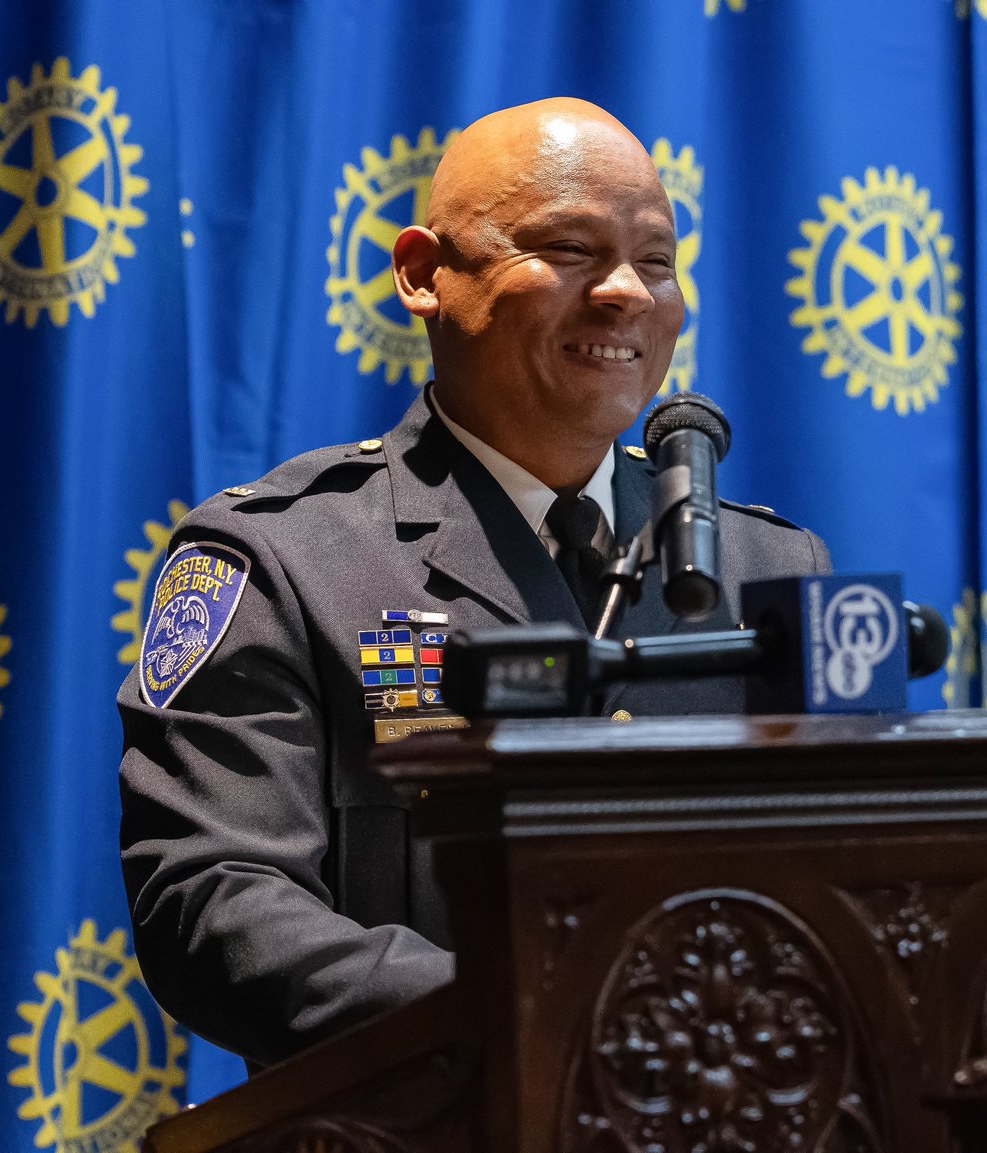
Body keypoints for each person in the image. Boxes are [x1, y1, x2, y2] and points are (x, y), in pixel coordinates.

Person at [118, 97, 830, 1070]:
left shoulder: (769, 572)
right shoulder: (281, 558)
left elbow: (846, 885)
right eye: (570, 250)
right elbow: (213, 902)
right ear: (423, 275)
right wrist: (545, 1011)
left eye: (656, 260)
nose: (626, 291)